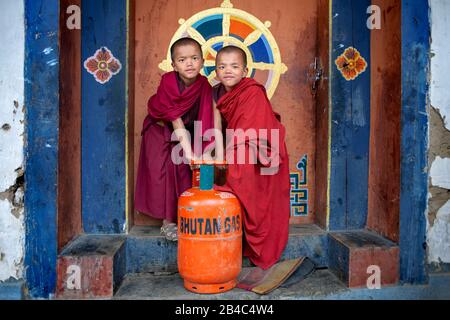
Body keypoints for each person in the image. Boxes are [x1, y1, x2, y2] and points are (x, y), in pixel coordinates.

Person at [213, 46, 291, 270]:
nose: (228, 71)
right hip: (239, 143)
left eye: (234, 66)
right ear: (216, 70)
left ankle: (257, 227)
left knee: (241, 162)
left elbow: (256, 127)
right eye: (222, 66)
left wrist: (234, 149)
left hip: (262, 145)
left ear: (245, 70)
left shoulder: (252, 91)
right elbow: (218, 126)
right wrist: (221, 153)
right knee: (232, 161)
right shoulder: (216, 93)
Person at [135, 37, 214, 241]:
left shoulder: (204, 85)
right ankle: (168, 223)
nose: (189, 63)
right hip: (160, 131)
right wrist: (189, 153)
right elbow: (175, 119)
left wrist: (203, 151)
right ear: (173, 65)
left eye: (195, 58)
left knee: (185, 171)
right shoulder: (168, 82)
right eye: (182, 60)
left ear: (203, 62)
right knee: (164, 172)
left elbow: (206, 118)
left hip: (185, 133)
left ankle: (186, 218)